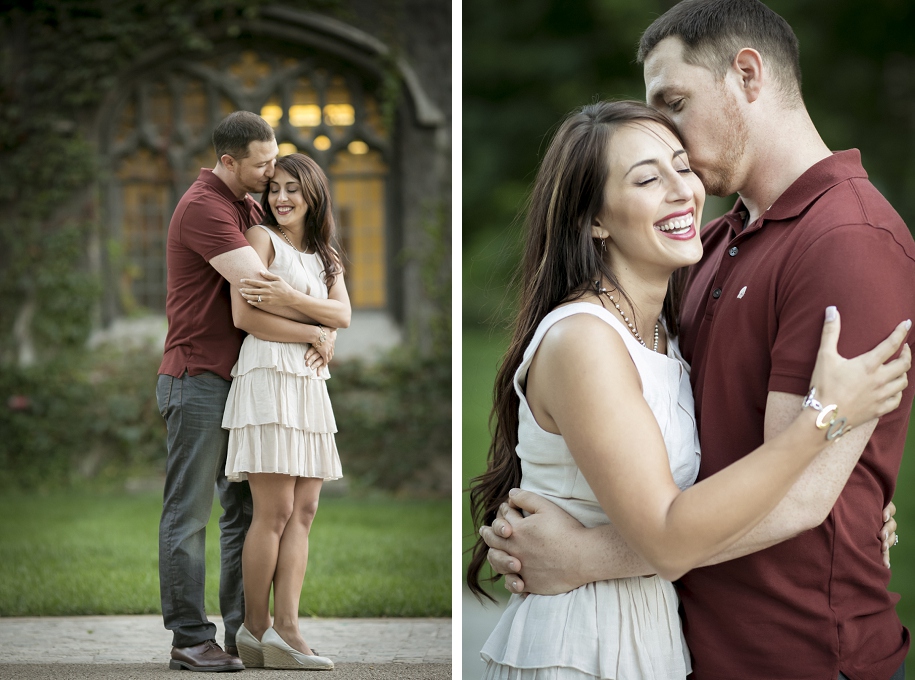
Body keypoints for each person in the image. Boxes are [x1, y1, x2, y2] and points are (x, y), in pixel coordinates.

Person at [479, 1, 915, 678]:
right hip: (685, 638)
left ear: (747, 73)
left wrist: (583, 556)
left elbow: (804, 494)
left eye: (673, 101)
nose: (662, 127)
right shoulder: (709, 243)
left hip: (792, 650)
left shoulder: (846, 241)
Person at [157, 111, 335, 672]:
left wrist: (318, 314)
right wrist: (320, 324)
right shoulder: (205, 207)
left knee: (244, 512)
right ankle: (189, 637)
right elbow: (258, 291)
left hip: (240, 379)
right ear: (229, 161)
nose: (271, 173)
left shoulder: (250, 205)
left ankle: (245, 632)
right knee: (189, 513)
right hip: (197, 375)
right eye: (263, 165)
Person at [220, 153, 350, 671]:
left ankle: (288, 626)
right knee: (271, 512)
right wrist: (314, 330)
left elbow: (343, 314)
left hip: (310, 385)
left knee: (305, 511)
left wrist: (294, 300)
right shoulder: (259, 241)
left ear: (313, 193)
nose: (280, 198)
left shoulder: (326, 255)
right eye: (274, 188)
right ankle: (257, 629)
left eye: (292, 188)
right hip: (270, 377)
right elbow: (246, 314)